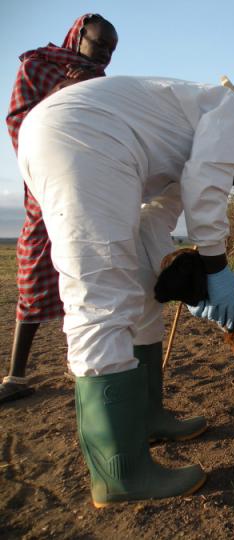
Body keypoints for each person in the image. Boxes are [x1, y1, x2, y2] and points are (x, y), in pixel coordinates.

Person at [17, 75, 234, 506]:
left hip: (79, 141)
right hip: (83, 141)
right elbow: (207, 186)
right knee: (101, 295)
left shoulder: (179, 136)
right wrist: (217, 266)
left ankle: (146, 418)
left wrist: (184, 285)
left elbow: (154, 223)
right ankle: (121, 472)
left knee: (135, 285)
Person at [1, 14, 118, 405]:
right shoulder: (37, 67)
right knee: (33, 271)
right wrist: (65, 90)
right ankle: (17, 374)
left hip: (88, 189)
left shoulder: (101, 82)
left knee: (84, 276)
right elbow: (18, 121)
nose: (105, 56)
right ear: (79, 34)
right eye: (100, 45)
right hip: (46, 187)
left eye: (111, 51)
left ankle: (82, 365)